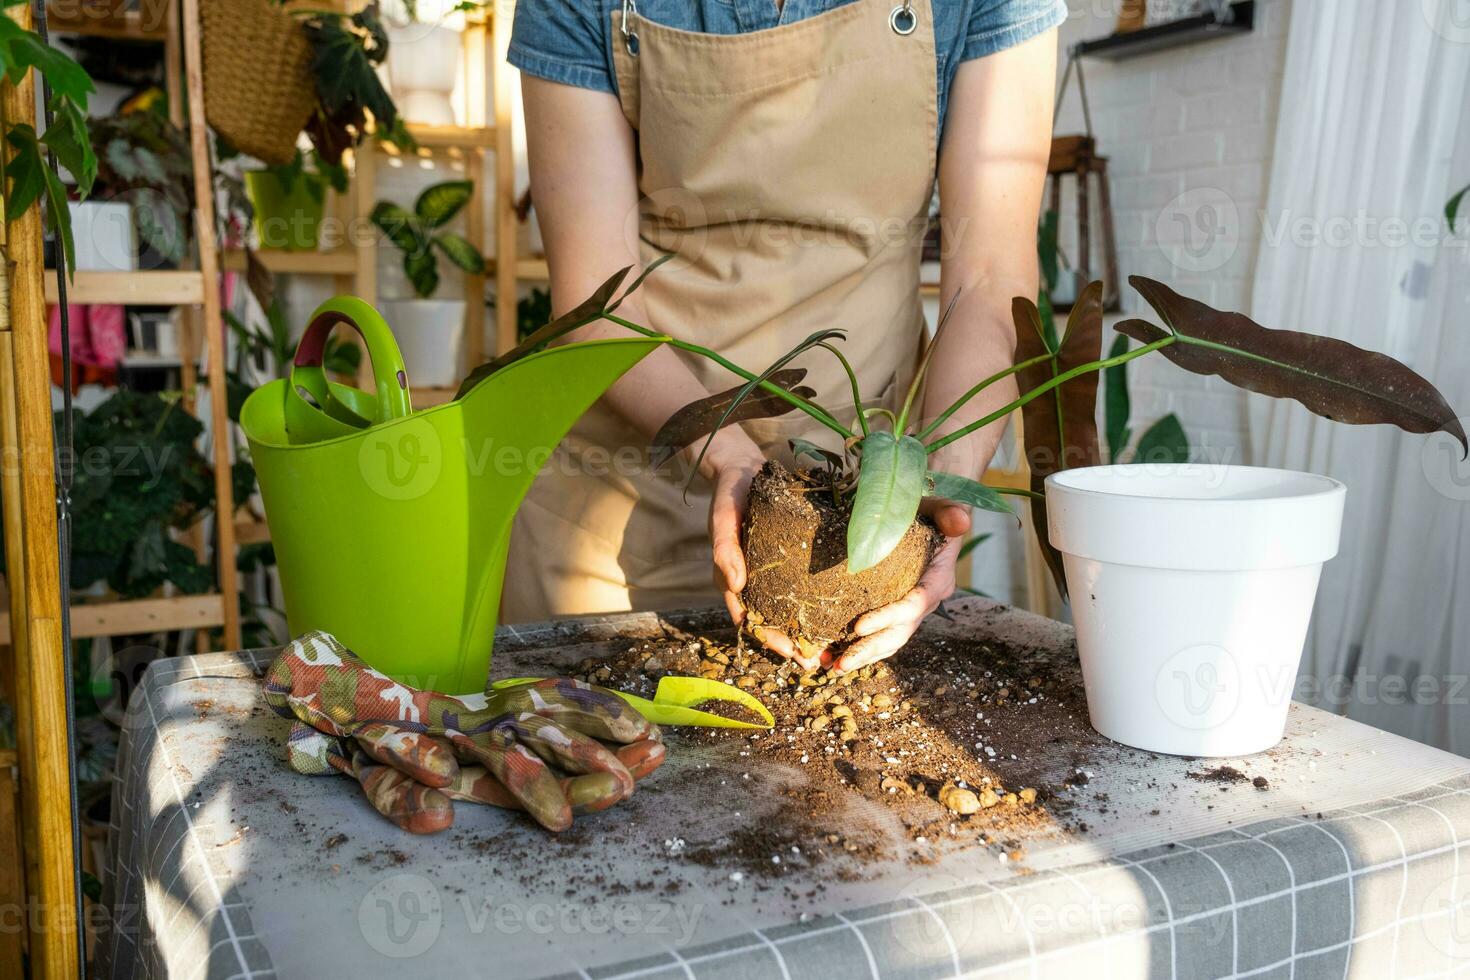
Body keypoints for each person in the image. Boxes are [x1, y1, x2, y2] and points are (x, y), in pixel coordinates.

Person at [503, 0, 1065, 674]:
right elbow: (599, 304)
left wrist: (926, 482)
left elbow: (989, 280)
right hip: (624, 498)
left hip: (852, 530)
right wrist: (728, 455)